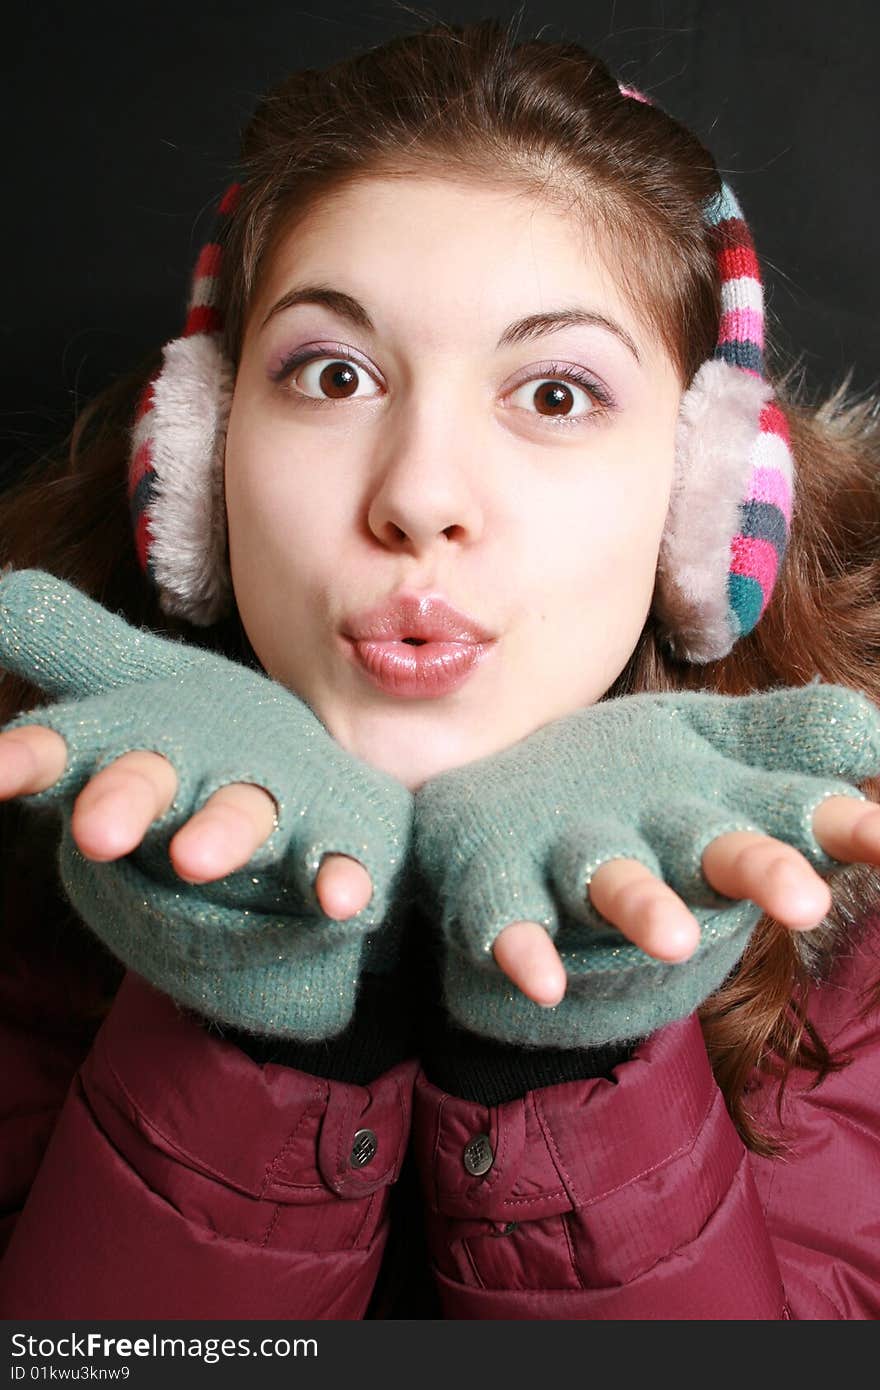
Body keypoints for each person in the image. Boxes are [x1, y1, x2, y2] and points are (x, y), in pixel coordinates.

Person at [0, 15, 879, 1320]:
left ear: (704, 495)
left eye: (556, 394)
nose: (419, 495)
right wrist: (248, 1012)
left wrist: (581, 1045)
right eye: (335, 372)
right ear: (190, 463)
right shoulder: (21, 859)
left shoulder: (847, 938)